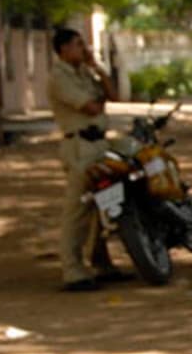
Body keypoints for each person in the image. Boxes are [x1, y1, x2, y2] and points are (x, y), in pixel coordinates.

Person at [48, 27, 130, 291]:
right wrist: (99, 99)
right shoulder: (60, 77)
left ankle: (101, 263)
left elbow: (112, 96)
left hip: (98, 143)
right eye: (77, 45)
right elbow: (92, 106)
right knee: (78, 210)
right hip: (79, 146)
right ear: (63, 49)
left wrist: (98, 68)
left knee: (101, 207)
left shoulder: (84, 73)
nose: (83, 50)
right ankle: (72, 270)